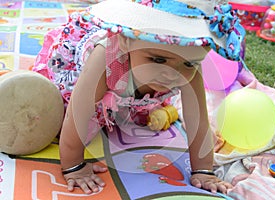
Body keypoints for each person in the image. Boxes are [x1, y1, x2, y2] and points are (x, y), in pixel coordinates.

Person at [33, 0, 245, 195]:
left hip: (131, 88)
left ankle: (133, 102)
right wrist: (73, 165)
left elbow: (197, 120)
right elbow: (77, 115)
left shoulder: (186, 67)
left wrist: (204, 170)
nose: (173, 74)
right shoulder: (104, 58)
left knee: (138, 107)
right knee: (56, 125)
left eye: (189, 64)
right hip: (87, 81)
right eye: (159, 59)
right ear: (126, 41)